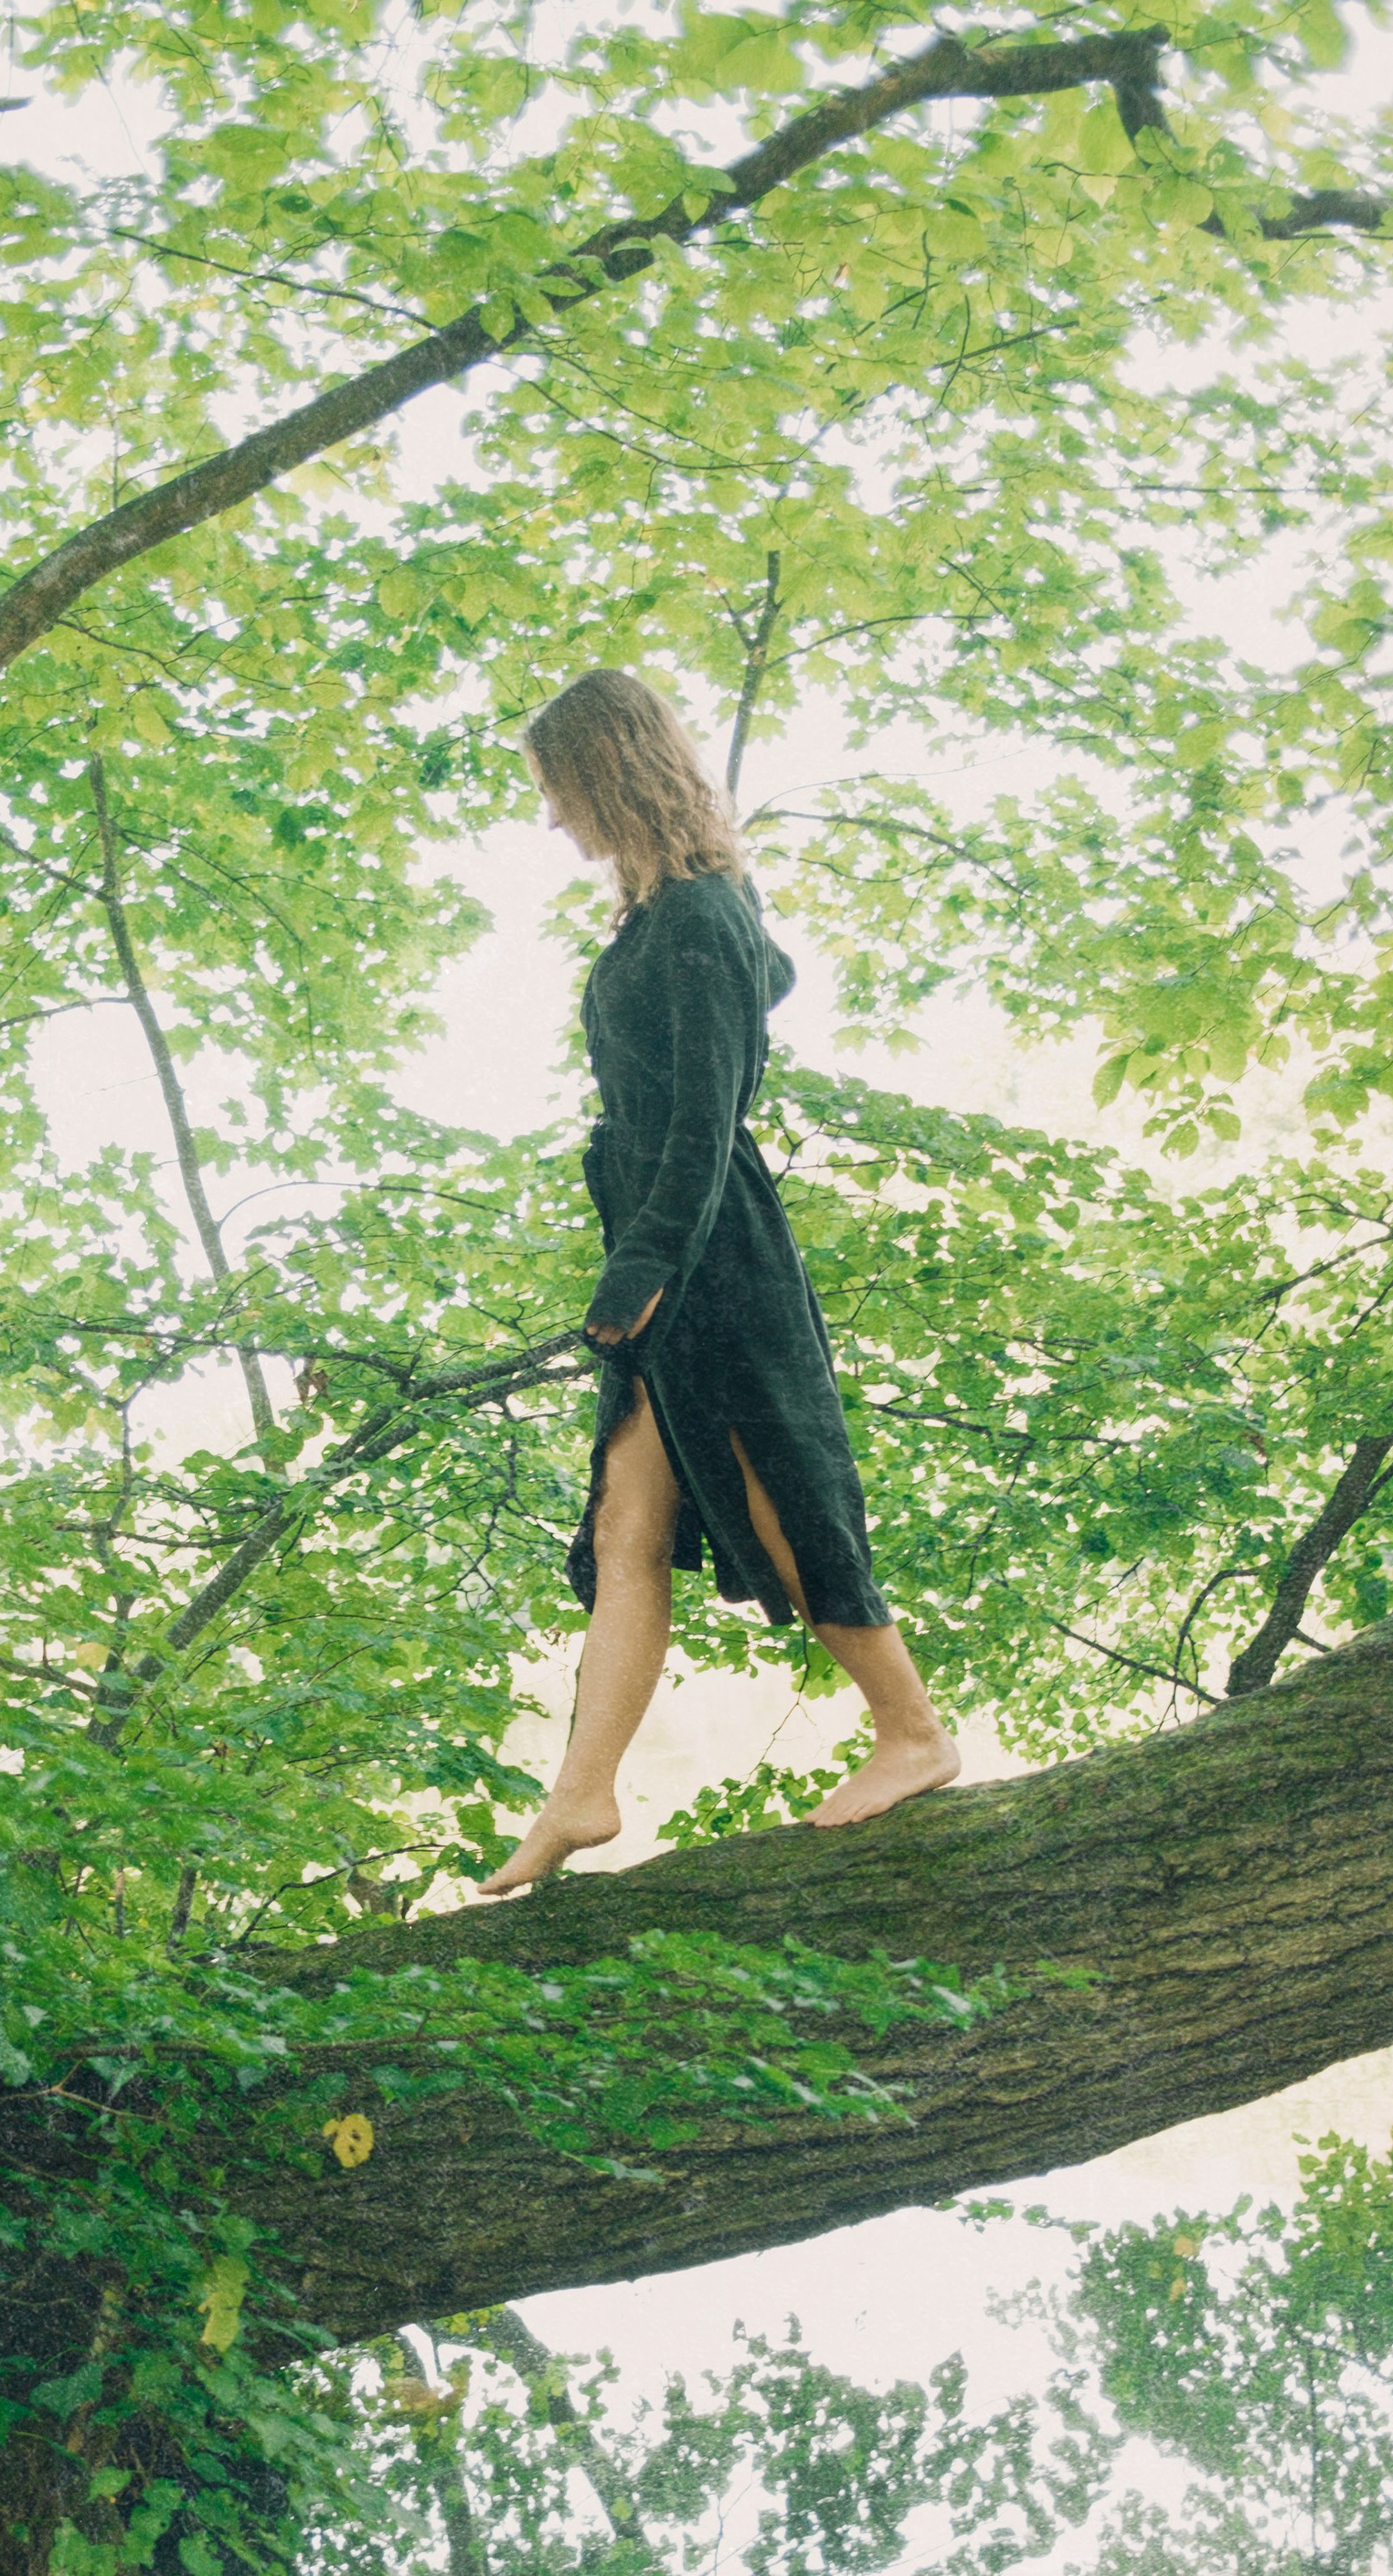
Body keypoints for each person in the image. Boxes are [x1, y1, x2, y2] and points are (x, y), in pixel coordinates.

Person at [482, 667, 958, 1898]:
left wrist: (642, 1268)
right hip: (663, 1238)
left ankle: (912, 1731)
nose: (552, 816)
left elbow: (704, 1119)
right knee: (624, 1525)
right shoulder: (664, 915)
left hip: (706, 1250)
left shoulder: (701, 915)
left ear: (611, 772)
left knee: (776, 1500)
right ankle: (581, 1794)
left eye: (559, 788)